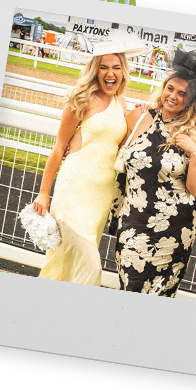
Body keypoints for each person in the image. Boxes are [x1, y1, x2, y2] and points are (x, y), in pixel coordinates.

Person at [111, 49, 196, 297]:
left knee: (160, 295)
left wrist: (194, 152)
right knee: (131, 287)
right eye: (170, 88)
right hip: (134, 222)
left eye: (182, 94)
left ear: (191, 100)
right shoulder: (138, 116)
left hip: (175, 228)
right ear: (163, 87)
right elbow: (110, 144)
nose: (173, 96)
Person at [33, 43, 141, 286]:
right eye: (103, 67)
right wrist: (43, 193)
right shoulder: (81, 100)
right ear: (95, 70)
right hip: (74, 190)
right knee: (90, 267)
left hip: (100, 197)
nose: (110, 73)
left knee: (66, 261)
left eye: (116, 67)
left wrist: (140, 114)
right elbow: (59, 148)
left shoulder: (121, 103)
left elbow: (120, 143)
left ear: (123, 71)